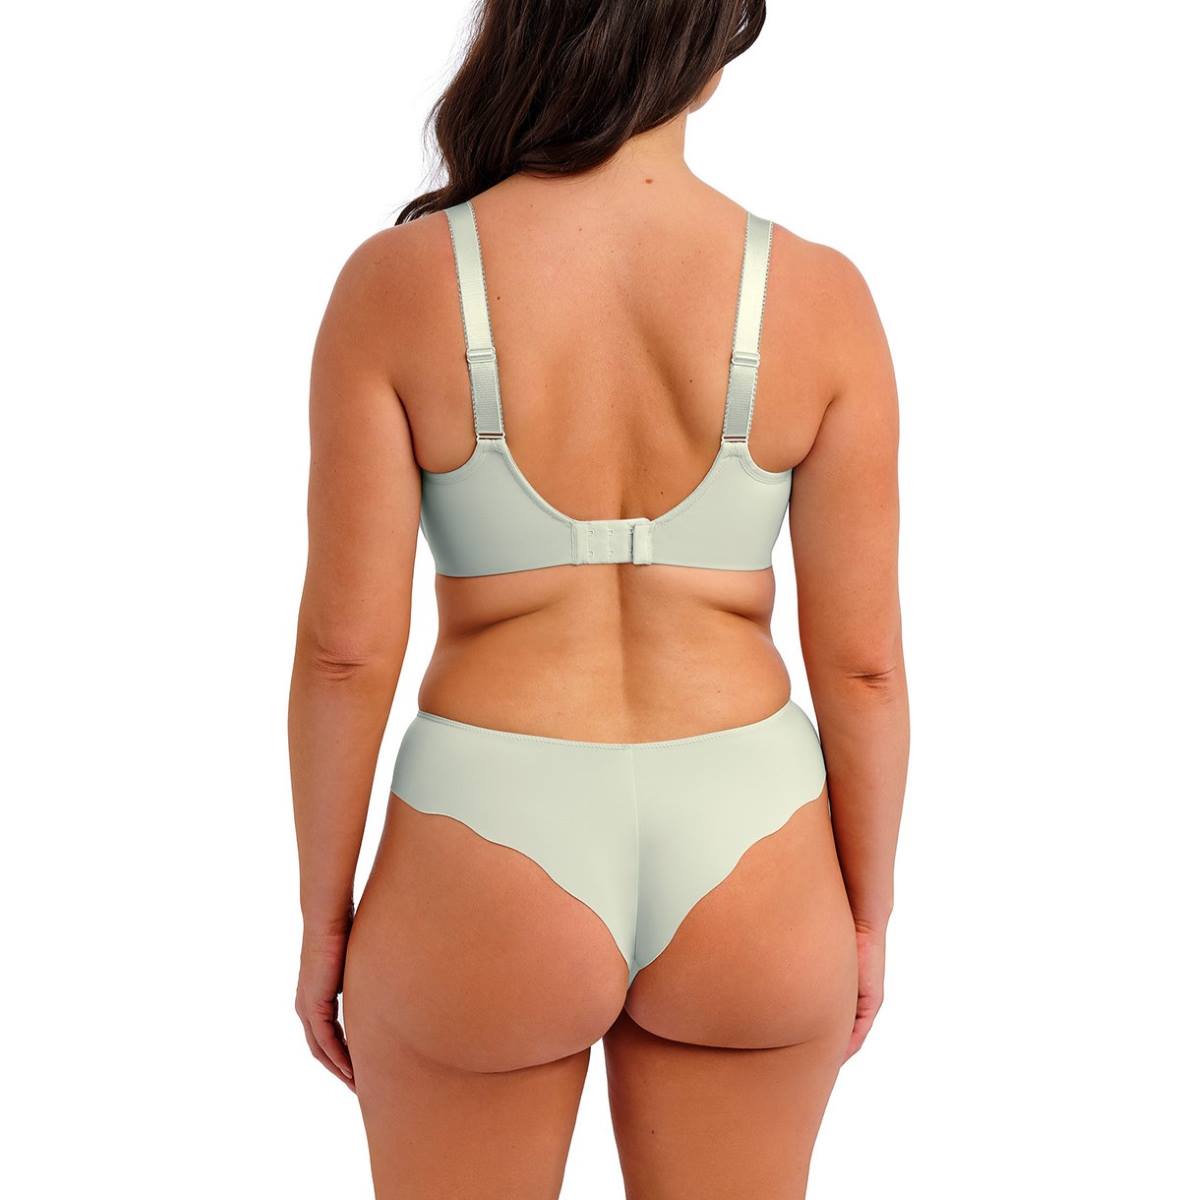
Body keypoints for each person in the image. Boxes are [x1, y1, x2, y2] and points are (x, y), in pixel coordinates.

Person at [288, 2, 908, 1195]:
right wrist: (865, 913)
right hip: (756, 843)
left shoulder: (400, 283)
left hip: (484, 836)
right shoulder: (819, 296)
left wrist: (326, 919)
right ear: (704, 59)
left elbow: (345, 653)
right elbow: (865, 666)